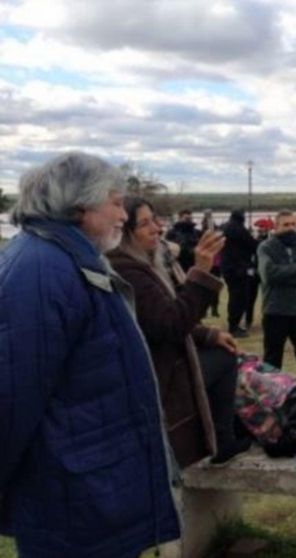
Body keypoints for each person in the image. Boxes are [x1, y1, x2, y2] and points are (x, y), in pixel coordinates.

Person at [0, 152, 179, 555]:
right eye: (115, 202)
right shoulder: (41, 272)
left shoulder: (69, 260)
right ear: (79, 206)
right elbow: (11, 398)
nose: (123, 215)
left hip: (94, 486)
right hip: (70, 497)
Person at [108, 197, 251, 466]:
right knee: (223, 359)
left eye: (155, 220)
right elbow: (171, 324)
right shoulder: (128, 269)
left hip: (156, 366)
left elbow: (164, 317)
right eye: (144, 223)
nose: (156, 229)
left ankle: (221, 435)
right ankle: (220, 441)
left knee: (220, 348)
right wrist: (200, 273)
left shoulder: (140, 263)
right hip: (157, 376)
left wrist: (208, 335)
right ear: (125, 232)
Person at [258, 210, 296, 380]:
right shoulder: (266, 247)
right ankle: (270, 399)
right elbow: (269, 275)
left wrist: (283, 274)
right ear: (276, 227)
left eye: (293, 224)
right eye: (286, 225)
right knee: (272, 361)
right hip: (276, 311)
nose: (291, 228)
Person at [221, 209, 258, 337]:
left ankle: (234, 324)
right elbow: (252, 245)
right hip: (240, 269)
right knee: (239, 298)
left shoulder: (225, 227)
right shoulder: (239, 230)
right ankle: (234, 326)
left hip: (227, 267)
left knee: (234, 297)